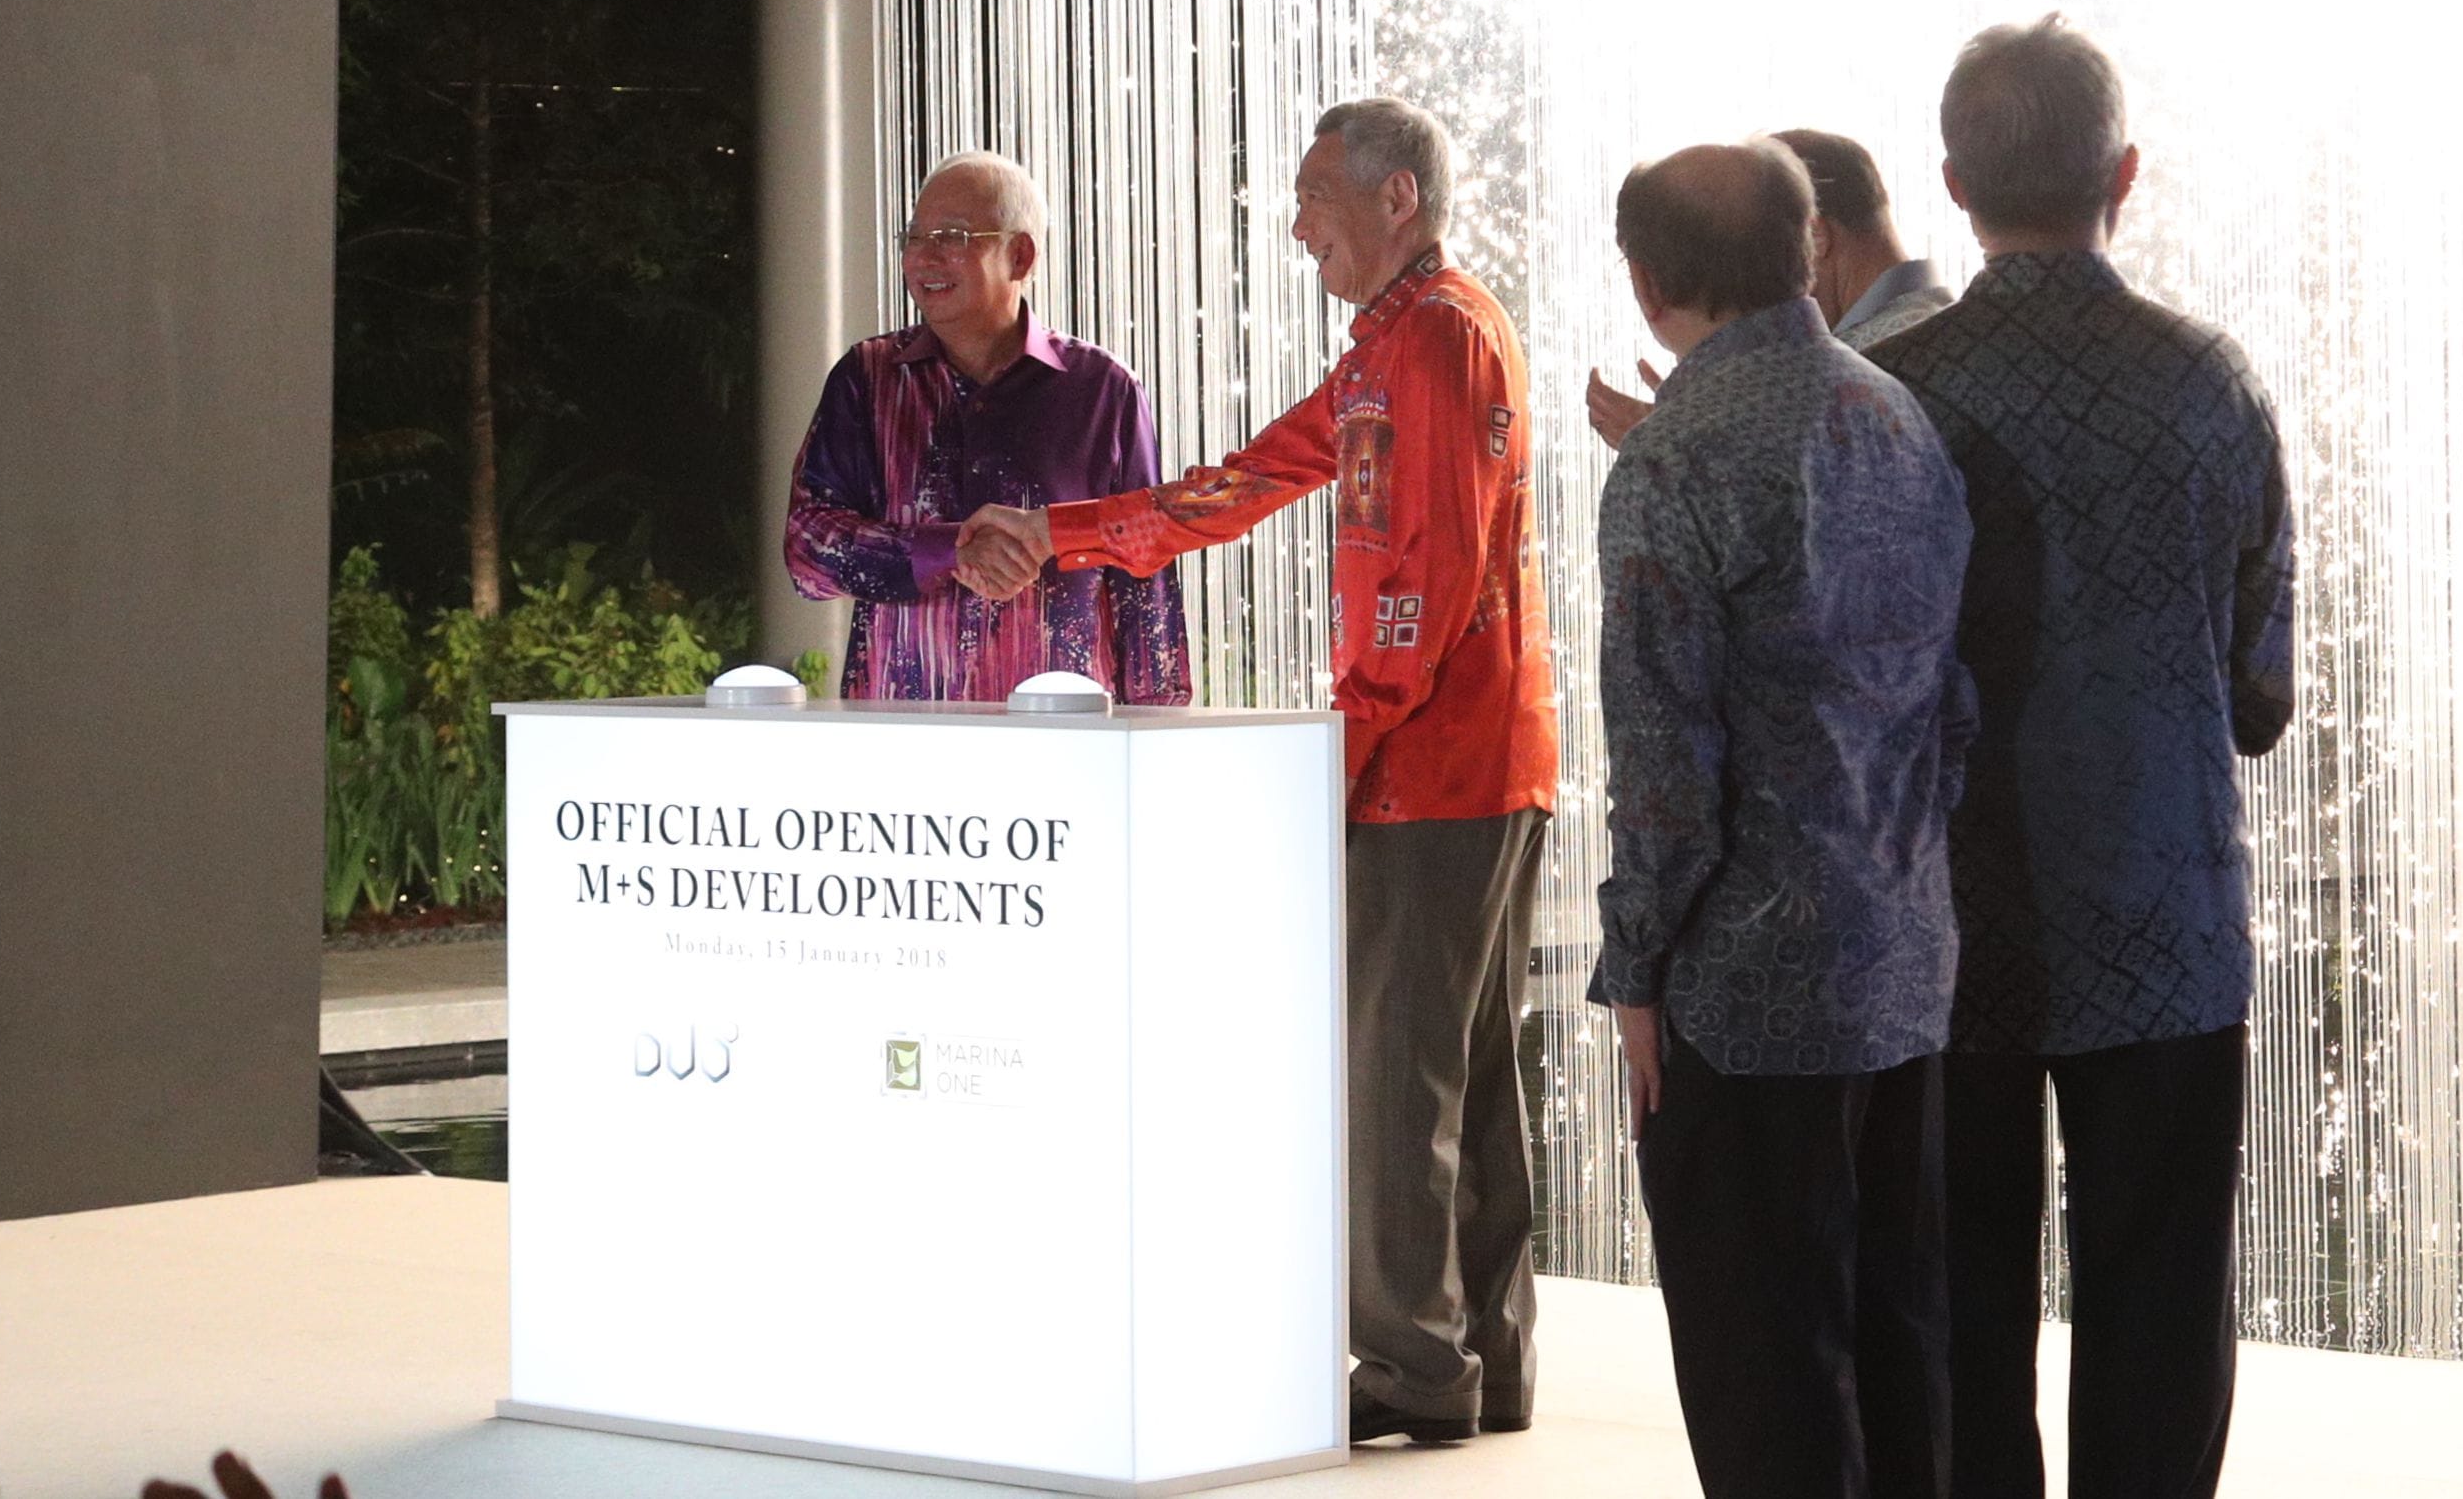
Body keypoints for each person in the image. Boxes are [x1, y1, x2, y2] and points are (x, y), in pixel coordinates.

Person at [959, 98, 1556, 1447]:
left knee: (1400, 1079)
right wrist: (1058, 533)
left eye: (1315, 200)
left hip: (1434, 766)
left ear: (1396, 195)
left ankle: (1413, 1367)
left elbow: (1423, 587)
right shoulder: (1392, 347)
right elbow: (1236, 485)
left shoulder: (1440, 341)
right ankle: (1480, 1358)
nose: (1295, 227)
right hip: (1461, 758)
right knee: (1459, 1066)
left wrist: (1335, 752)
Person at [1868, 19, 2294, 1499]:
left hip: (1946, 930)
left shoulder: (1890, 393)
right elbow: (2258, 691)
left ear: (1948, 183)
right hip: (2163, 920)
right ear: (2123, 173)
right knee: (2159, 1292)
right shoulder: (2206, 381)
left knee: (1956, 1300)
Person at [1588, 141, 1974, 1499]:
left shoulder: (1670, 462)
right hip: (1905, 954)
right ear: (1805, 250)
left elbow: (1663, 770)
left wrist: (1633, 968)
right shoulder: (1900, 418)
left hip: (1746, 995)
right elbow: (1952, 707)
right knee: (1899, 1341)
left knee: (1768, 1378)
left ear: (1643, 281)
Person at [783, 152, 1191, 704]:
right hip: (898, 740)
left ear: (1019, 255)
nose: (923, 257)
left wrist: (1158, 736)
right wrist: (948, 551)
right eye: (913, 237)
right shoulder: (867, 377)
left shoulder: (1102, 390)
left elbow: (1145, 573)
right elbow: (807, 549)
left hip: (1062, 738)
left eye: (951, 235)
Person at [1585, 126, 1952, 449]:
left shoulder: (1882, 361)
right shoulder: (1934, 330)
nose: (1753, 286)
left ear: (1815, 237)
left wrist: (1677, 449)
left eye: (1769, 249)